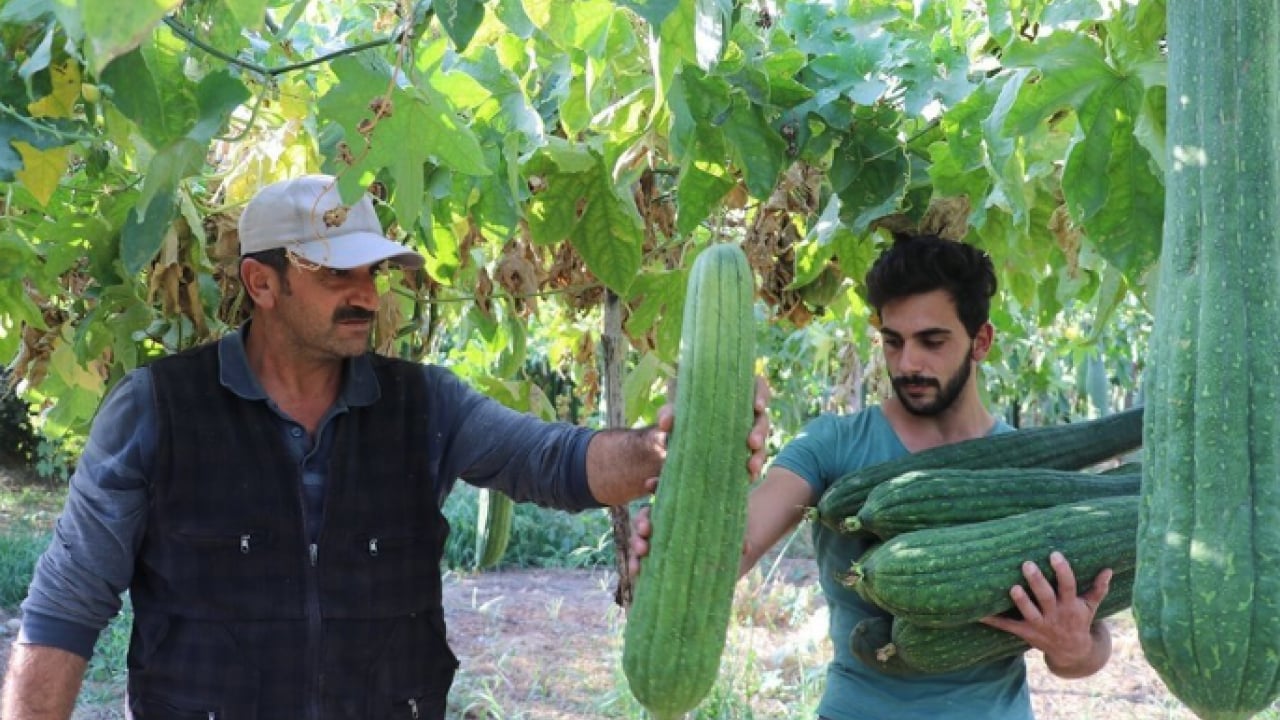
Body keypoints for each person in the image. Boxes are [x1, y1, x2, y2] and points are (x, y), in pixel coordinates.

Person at [0, 174, 769, 720]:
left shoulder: (423, 404)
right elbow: (66, 610)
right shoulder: (159, 410)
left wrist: (671, 445)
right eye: (335, 272)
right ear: (260, 285)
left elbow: (556, 462)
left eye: (372, 269)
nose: (364, 291)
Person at [632, 233, 1114, 719]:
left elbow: (1090, 646)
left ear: (981, 341)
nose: (908, 364)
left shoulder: (1033, 467)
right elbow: (734, 548)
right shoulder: (833, 444)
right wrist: (684, 532)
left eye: (932, 341)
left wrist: (1072, 646)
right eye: (893, 341)